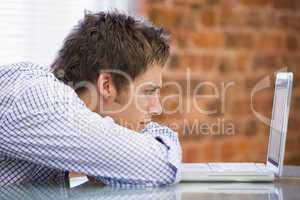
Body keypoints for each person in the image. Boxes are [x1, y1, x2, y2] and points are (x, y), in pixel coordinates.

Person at [0, 11, 182, 187]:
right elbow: (162, 166)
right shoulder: (38, 100)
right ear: (106, 85)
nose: (157, 108)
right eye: (148, 92)